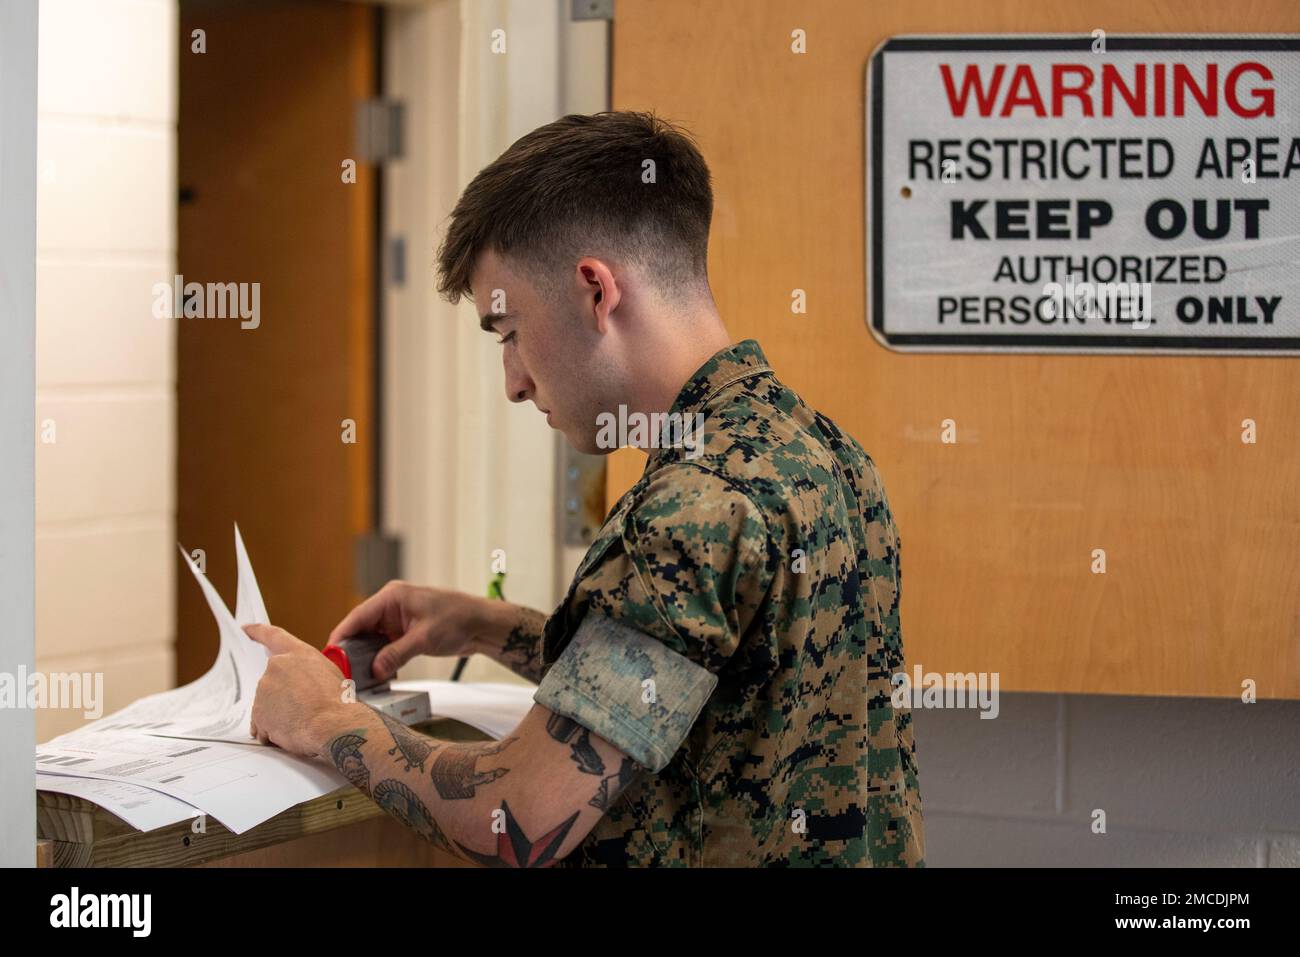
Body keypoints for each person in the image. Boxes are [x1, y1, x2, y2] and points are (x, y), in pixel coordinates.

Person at [245, 110, 924, 867]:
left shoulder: (688, 508)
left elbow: (519, 813)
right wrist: (484, 625)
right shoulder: (822, 451)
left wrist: (324, 718)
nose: (512, 382)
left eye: (508, 333)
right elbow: (689, 688)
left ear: (595, 291)